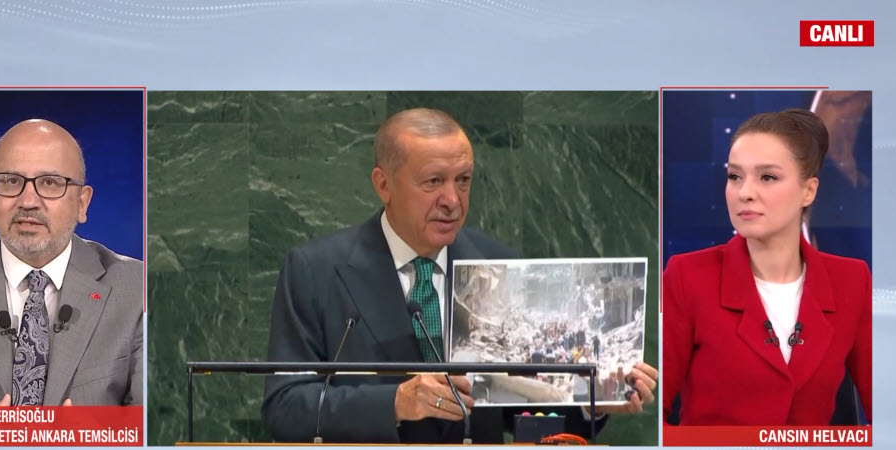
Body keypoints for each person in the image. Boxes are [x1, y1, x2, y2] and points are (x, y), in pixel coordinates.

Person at [262, 108, 657, 443]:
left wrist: (592, 401)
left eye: (463, 180)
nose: (452, 200)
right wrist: (395, 402)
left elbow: (520, 410)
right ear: (383, 184)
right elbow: (284, 407)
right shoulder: (316, 271)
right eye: (433, 181)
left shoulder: (496, 264)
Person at [662, 108, 872, 425]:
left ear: (808, 191)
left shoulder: (851, 281)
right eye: (735, 177)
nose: (745, 193)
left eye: (767, 177)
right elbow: (653, 417)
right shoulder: (687, 277)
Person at [0, 119, 143, 407]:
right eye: (11, 181)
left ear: (82, 203)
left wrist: (94, 432)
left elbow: (155, 422)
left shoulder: (138, 291)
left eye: (50, 182)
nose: (28, 201)